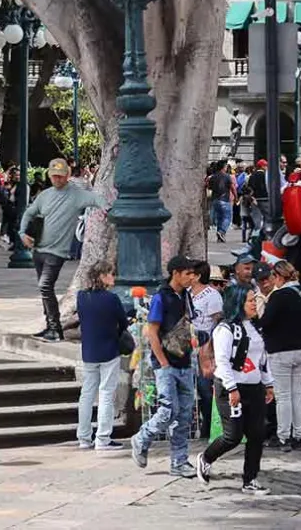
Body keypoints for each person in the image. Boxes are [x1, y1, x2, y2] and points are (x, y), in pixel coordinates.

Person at [194, 284, 276, 496]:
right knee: (233, 436)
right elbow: (222, 361)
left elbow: (261, 359)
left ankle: (250, 479)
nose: (254, 304)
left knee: (257, 434)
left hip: (254, 387)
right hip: (231, 387)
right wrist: (232, 389)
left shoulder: (255, 327)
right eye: (250, 301)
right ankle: (206, 458)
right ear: (238, 303)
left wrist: (268, 383)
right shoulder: (225, 329)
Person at [129, 255, 200, 478]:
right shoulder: (161, 298)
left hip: (185, 361)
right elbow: (152, 331)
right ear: (176, 273)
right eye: (188, 273)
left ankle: (179, 461)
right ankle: (142, 437)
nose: (192, 277)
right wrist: (163, 363)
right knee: (168, 411)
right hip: (167, 365)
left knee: (185, 414)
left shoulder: (186, 296)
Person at [22, 159, 107, 343]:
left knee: (45, 285)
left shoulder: (77, 194)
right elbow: (30, 213)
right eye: (54, 175)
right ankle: (50, 326)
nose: (57, 179)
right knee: (45, 289)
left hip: (57, 251)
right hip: (39, 249)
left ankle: (55, 328)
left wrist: (107, 208)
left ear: (67, 175)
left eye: (60, 175)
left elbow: (96, 199)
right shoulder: (44, 195)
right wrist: (23, 233)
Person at [257, 260, 301, 452]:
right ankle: (300, 436)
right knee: (298, 395)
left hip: (281, 351)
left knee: (283, 396)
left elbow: (265, 321)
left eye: (274, 277)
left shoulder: (279, 296)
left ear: (279, 276)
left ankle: (283, 437)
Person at [75, 261, 127, 450]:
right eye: (111, 274)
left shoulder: (81, 297)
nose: (113, 277)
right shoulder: (111, 299)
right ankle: (103, 438)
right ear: (103, 276)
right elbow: (123, 322)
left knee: (87, 394)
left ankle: (83, 437)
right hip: (109, 350)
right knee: (106, 393)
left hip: (89, 351)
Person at [190, 261, 223, 440]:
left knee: (205, 389)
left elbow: (217, 321)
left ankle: (210, 426)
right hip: (188, 346)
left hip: (205, 348)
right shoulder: (186, 294)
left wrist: (210, 347)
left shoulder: (212, 296)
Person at [207, 160, 235, 243]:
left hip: (215, 200)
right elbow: (232, 187)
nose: (226, 168)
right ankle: (222, 231)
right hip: (224, 199)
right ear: (223, 167)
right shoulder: (227, 176)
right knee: (227, 217)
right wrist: (235, 196)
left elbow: (209, 187)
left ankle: (220, 236)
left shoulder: (213, 176)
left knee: (219, 218)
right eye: (226, 166)